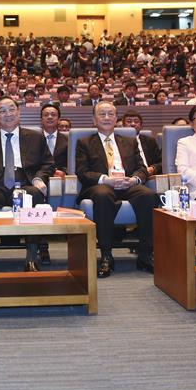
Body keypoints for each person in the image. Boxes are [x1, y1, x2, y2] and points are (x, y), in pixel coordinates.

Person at [0, 96, 53, 273]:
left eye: (11, 109)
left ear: (19, 112)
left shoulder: (36, 137)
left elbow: (48, 164)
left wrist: (39, 178)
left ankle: (32, 255)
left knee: (34, 194)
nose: (8, 114)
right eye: (2, 111)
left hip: (24, 183)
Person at [75, 101, 158, 278]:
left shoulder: (129, 141)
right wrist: (106, 180)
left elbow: (142, 168)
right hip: (100, 185)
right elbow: (82, 172)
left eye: (110, 114)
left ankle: (145, 255)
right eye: (102, 114)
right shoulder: (84, 143)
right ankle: (106, 255)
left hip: (128, 184)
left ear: (116, 119)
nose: (107, 117)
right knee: (103, 195)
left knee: (149, 196)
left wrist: (134, 179)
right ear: (94, 120)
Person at [121, 111, 162, 177]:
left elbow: (161, 162)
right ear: (123, 125)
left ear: (141, 126)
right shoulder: (117, 142)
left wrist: (153, 168)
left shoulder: (150, 141)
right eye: (129, 121)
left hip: (150, 176)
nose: (133, 124)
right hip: (129, 177)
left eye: (136, 121)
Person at [40, 103, 68, 176]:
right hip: (39, 178)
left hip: (61, 178)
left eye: (53, 115)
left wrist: (64, 172)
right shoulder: (33, 140)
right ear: (41, 120)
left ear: (59, 119)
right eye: (46, 115)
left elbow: (72, 162)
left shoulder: (68, 140)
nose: (49, 117)